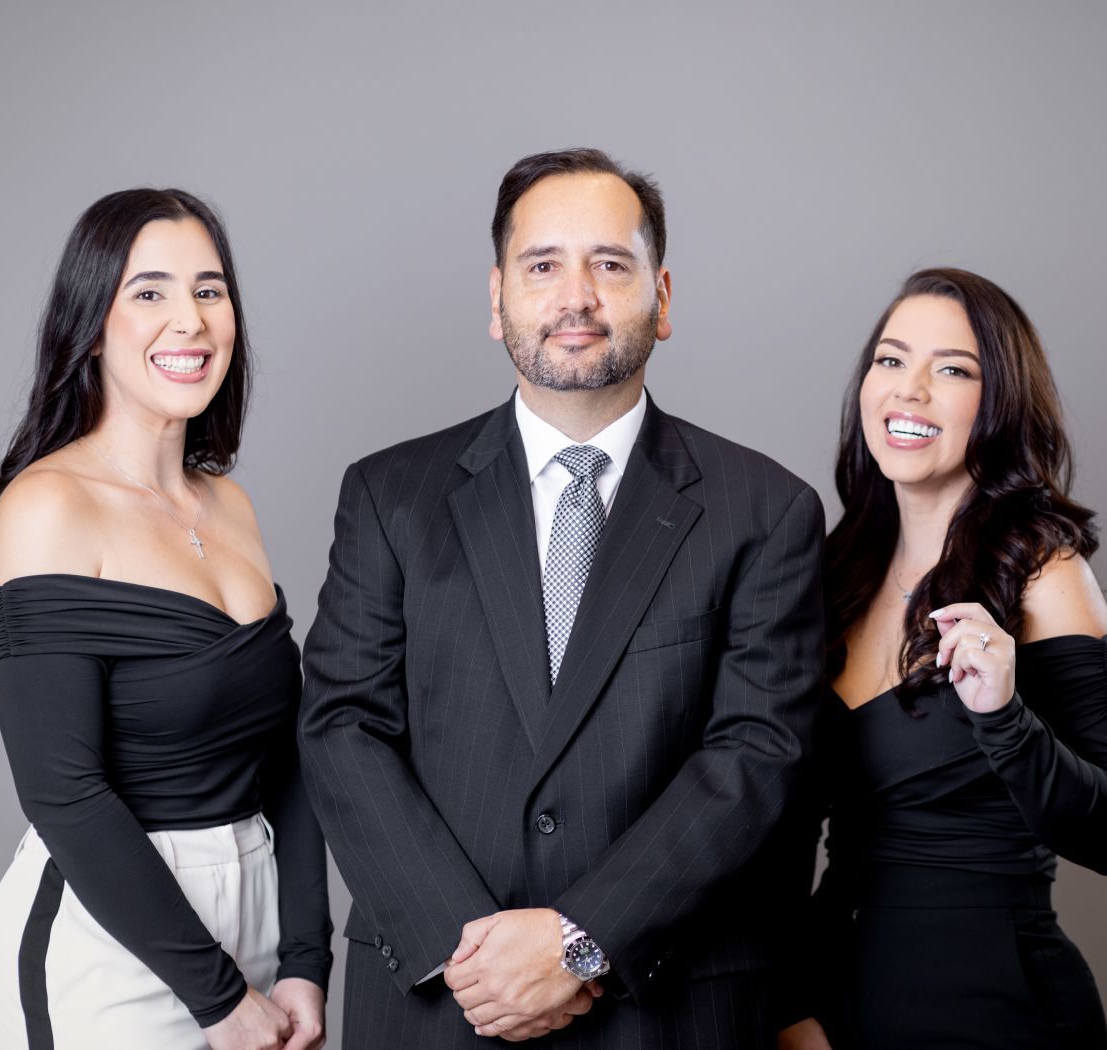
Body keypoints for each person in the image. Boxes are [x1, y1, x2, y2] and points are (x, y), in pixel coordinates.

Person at [298, 147, 826, 1049]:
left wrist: (580, 943)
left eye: (609, 265)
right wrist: (476, 952)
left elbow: (758, 756)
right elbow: (343, 724)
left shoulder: (765, 510)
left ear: (662, 299)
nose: (576, 295)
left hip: (667, 1008)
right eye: (542, 266)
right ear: (497, 298)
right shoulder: (390, 496)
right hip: (440, 1002)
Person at [0, 189, 332, 1050]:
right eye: (150, 292)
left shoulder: (230, 505)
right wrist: (219, 1001)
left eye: (210, 291)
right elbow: (64, 792)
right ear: (91, 325)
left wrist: (303, 961)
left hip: (250, 917)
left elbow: (286, 756)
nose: (191, 321)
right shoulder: (49, 508)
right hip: (107, 942)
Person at [777, 268, 1107, 1050]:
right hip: (833, 1014)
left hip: (999, 1010)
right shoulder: (830, 573)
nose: (910, 391)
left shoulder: (1045, 572)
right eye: (890, 360)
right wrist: (792, 1006)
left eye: (952, 370)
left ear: (1000, 404)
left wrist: (1003, 717)